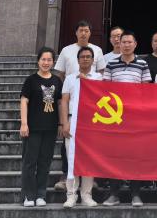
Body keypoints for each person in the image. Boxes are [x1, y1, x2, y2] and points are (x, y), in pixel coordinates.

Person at [53, 20, 106, 190]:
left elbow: (101, 74)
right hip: (71, 102)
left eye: (86, 30)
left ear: (90, 33)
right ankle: (65, 175)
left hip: (91, 108)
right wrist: (71, 86)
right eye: (81, 30)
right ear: (76, 33)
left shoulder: (97, 50)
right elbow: (60, 74)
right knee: (67, 144)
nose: (83, 33)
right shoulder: (66, 50)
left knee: (91, 145)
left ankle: (90, 179)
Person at [102, 30, 151, 206]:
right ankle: (113, 194)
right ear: (119, 44)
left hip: (135, 118)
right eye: (124, 42)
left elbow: (146, 90)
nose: (126, 45)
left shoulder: (143, 64)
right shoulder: (111, 64)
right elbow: (105, 90)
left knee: (135, 155)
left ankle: (135, 194)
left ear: (135, 44)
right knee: (115, 155)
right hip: (115, 118)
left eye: (130, 42)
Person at [19, 46, 65, 207]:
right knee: (30, 162)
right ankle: (28, 195)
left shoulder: (57, 81)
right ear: (38, 61)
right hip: (33, 128)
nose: (46, 62)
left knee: (45, 162)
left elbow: (60, 103)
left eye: (49, 60)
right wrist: (24, 123)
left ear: (53, 62)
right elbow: (24, 101)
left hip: (50, 128)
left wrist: (61, 123)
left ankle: (40, 194)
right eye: (43, 59)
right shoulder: (31, 80)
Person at [60, 45, 102, 208]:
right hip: (72, 121)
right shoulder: (70, 78)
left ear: (93, 60)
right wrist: (64, 123)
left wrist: (88, 82)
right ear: (77, 60)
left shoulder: (99, 78)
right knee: (72, 158)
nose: (85, 59)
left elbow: (102, 99)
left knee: (89, 159)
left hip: (92, 123)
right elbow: (64, 101)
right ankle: (71, 195)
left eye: (88, 57)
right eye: (82, 57)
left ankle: (86, 195)